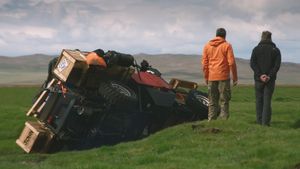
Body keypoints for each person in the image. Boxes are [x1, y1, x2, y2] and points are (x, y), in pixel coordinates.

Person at [202, 28, 238, 121]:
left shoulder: (207, 46)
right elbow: (232, 62)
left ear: (216, 35)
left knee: (212, 101)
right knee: (224, 100)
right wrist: (235, 77)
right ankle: (223, 121)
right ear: (225, 36)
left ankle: (211, 120)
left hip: (211, 77)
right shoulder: (227, 46)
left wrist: (206, 77)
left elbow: (204, 64)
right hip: (224, 77)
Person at [250, 31, 281, 126]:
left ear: (262, 37)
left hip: (258, 79)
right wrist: (269, 76)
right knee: (267, 101)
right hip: (270, 80)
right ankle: (265, 123)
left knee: (259, 100)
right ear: (270, 38)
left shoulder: (256, 49)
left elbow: (252, 63)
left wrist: (260, 75)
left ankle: (259, 122)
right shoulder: (275, 50)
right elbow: (277, 66)